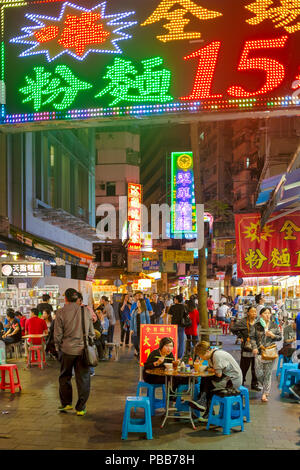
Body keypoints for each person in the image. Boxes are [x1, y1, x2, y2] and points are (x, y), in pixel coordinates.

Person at [54, 288, 95, 416]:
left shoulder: (60, 312)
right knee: (83, 378)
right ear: (77, 298)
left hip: (66, 350)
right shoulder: (85, 311)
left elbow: (57, 335)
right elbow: (91, 333)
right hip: (83, 350)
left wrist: (57, 348)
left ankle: (66, 403)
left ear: (65, 298)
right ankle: (81, 407)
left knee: (65, 377)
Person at [187, 341, 243, 421]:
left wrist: (209, 369)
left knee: (208, 383)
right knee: (205, 379)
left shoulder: (217, 355)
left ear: (207, 351)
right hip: (226, 378)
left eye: (201, 356)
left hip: (233, 380)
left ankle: (204, 405)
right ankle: (206, 407)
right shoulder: (211, 356)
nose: (202, 358)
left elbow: (218, 374)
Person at [250, 307, 282, 402]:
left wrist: (272, 335)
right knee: (258, 373)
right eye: (265, 313)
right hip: (259, 351)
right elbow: (252, 337)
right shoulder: (256, 325)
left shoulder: (274, 325)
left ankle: (265, 393)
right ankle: (265, 387)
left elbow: (279, 337)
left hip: (270, 351)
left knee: (268, 374)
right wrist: (254, 347)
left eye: (269, 313)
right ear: (261, 315)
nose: (268, 315)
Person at [230, 306, 261, 391]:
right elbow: (233, 328)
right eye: (252, 312)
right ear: (248, 313)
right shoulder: (243, 321)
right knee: (244, 367)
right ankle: (241, 383)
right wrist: (240, 336)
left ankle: (254, 384)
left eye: (255, 312)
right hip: (246, 348)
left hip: (256, 348)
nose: (254, 313)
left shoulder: (258, 321)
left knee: (255, 367)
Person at [168, 295, 186, 359]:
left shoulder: (172, 307)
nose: (174, 300)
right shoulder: (184, 307)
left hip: (173, 326)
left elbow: (169, 317)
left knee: (173, 340)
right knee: (181, 341)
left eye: (175, 299)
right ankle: (180, 356)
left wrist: (169, 324)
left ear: (177, 300)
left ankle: (173, 353)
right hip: (181, 325)